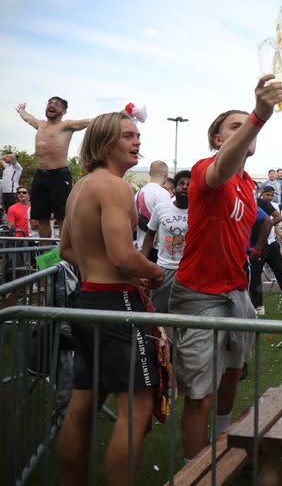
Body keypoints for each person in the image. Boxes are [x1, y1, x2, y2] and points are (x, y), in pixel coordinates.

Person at [169, 75, 282, 460]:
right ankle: (192, 470)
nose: (246, 131)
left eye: (248, 126)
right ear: (218, 139)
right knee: (199, 393)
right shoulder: (208, 169)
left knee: (233, 373)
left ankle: (220, 447)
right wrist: (259, 113)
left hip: (236, 292)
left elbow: (256, 220)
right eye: (234, 127)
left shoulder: (248, 182)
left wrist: (257, 247)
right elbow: (220, 170)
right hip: (200, 296)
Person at [56, 112, 165, 485]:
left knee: (83, 403)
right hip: (115, 305)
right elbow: (122, 255)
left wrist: (98, 266)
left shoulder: (79, 187)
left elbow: (66, 248)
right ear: (104, 143)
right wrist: (153, 272)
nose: (137, 142)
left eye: (138, 135)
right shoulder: (116, 187)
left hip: (86, 301)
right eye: (128, 136)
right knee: (137, 408)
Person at [15, 98, 93, 238]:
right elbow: (28, 118)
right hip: (40, 176)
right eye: (50, 103)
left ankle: (63, 254)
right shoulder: (40, 124)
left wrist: (118, 115)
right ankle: (46, 255)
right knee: (42, 218)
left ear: (64, 111)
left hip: (60, 176)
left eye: (57, 104)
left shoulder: (67, 125)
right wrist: (21, 110)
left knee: (63, 217)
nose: (52, 105)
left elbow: (90, 121)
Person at [141, 170, 191, 316]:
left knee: (185, 314)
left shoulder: (198, 211)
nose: (185, 187)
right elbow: (150, 235)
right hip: (164, 270)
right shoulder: (161, 208)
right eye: (181, 183)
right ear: (175, 188)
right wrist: (143, 261)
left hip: (188, 270)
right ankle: (159, 339)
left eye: (189, 184)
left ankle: (179, 339)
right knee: (159, 313)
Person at [259, 186, 282, 308]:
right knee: (256, 276)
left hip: (272, 243)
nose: (270, 197)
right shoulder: (256, 204)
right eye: (268, 195)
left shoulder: (275, 206)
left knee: (280, 273)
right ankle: (258, 304)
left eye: (272, 195)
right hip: (259, 245)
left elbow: (276, 226)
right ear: (262, 194)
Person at [135, 161, 172, 258]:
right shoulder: (163, 193)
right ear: (166, 175)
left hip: (141, 246)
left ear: (150, 173)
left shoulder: (139, 192)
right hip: (157, 249)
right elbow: (167, 222)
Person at [1, 150, 23, 216]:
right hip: (4, 193)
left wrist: (11, 155)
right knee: (8, 213)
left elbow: (13, 157)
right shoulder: (7, 166)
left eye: (8, 156)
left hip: (12, 193)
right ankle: (11, 226)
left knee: (14, 213)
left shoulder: (17, 167)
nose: (6, 158)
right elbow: (0, 159)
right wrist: (5, 156)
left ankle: (18, 226)